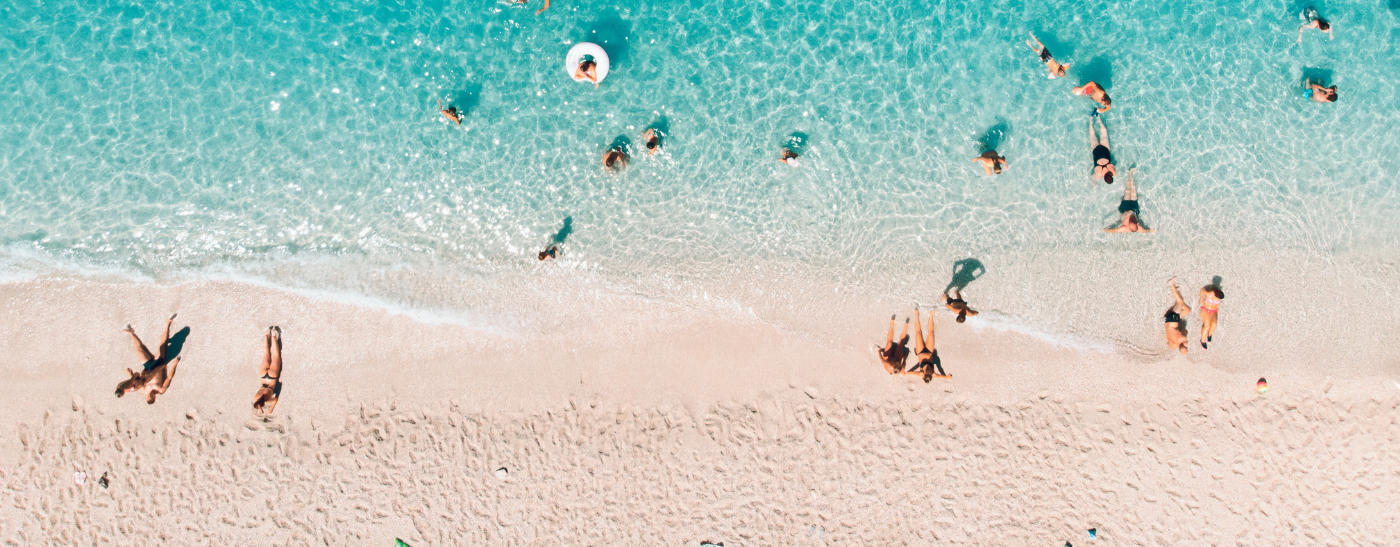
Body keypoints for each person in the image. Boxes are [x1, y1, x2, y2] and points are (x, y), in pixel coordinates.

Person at [115, 314, 183, 405]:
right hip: (158, 364)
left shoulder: (144, 391)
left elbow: (136, 382)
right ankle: (167, 325)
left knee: (140, 349)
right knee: (162, 345)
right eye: (151, 397)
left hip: (147, 366)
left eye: (148, 397)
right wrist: (175, 364)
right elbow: (169, 377)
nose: (149, 396)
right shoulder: (161, 389)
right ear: (154, 398)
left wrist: (130, 374)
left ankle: (131, 333)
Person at [904, 306, 948, 383]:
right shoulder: (933, 374)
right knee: (931, 333)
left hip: (920, 351)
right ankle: (931, 315)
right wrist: (947, 377)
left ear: (923, 375)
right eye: (930, 372)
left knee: (918, 333)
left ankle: (916, 315)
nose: (929, 370)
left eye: (927, 371)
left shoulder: (921, 373)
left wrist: (905, 372)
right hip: (930, 351)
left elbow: (910, 372)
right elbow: (941, 375)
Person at [1104, 168, 1154, 233]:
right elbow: (1146, 230)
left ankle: (1129, 175)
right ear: (1137, 224)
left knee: (1128, 191)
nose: (1130, 220)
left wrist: (1104, 230)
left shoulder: (1124, 227)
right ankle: (1131, 175)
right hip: (1134, 208)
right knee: (1133, 189)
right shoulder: (1139, 228)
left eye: (1130, 222)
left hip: (1125, 208)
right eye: (1133, 222)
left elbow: (1113, 230)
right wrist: (1153, 230)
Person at [253, 327, 283, 417]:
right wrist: (259, 408)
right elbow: (258, 402)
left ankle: (274, 335)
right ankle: (267, 334)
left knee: (276, 356)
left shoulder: (267, 399)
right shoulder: (257, 397)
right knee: (266, 354)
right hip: (263, 376)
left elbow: (275, 400)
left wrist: (270, 409)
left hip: (272, 378)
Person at [1163, 277, 1191, 354]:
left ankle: (1171, 284)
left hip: (1173, 319)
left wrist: (1184, 341)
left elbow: (1185, 331)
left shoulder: (1182, 339)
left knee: (1180, 302)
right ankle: (1176, 293)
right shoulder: (1172, 346)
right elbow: (1168, 342)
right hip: (1168, 322)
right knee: (1187, 311)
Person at [1088, 112, 1116, 184]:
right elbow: (1092, 178)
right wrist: (1095, 184)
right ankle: (1091, 121)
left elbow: (1113, 165)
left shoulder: (1113, 172)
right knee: (1092, 135)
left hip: (1105, 149)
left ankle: (1098, 118)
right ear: (1104, 178)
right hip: (1096, 151)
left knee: (1104, 132)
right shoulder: (1098, 175)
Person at [1198, 284, 1224, 349]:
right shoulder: (1210, 294)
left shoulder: (1219, 295)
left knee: (1214, 324)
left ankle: (1209, 335)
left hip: (1214, 310)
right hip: (1205, 309)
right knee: (1207, 326)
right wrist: (1201, 299)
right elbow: (1202, 290)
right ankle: (1202, 341)